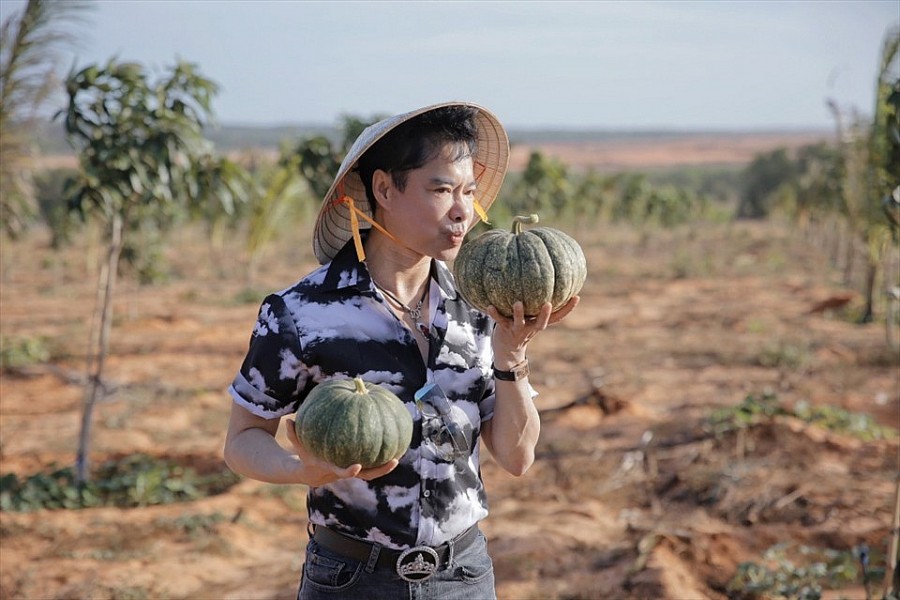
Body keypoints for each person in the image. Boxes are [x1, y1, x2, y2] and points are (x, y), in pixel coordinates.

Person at [223, 101, 579, 600]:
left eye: (469, 192)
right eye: (440, 190)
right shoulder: (302, 312)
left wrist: (512, 356)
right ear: (385, 190)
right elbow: (241, 441)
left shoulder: (480, 304)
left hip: (463, 576)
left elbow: (517, 457)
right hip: (349, 579)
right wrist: (299, 470)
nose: (462, 211)